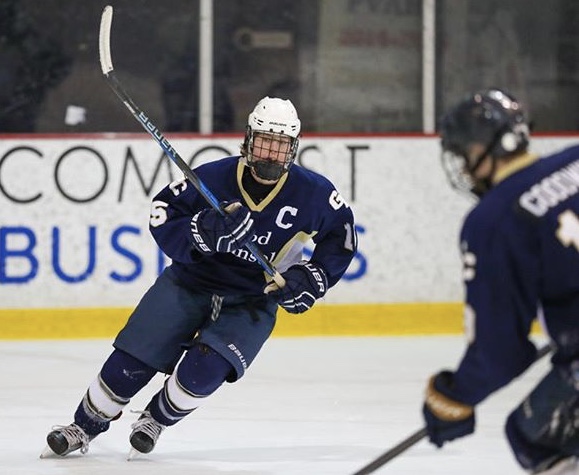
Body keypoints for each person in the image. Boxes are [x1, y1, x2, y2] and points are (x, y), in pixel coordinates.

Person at [41, 96, 357, 458]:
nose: (271, 152)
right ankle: (83, 426)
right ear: (249, 140)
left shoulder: (315, 193)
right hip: (189, 283)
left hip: (253, 299)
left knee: (204, 371)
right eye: (265, 141)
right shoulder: (213, 177)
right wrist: (200, 231)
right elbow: (162, 213)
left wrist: (312, 278)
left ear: (294, 148)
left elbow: (342, 237)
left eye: (281, 144)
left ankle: (155, 420)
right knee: (130, 363)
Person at [421, 88, 579, 474]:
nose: (462, 164)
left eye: (466, 151)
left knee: (535, 434)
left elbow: (500, 348)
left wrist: (456, 396)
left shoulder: (494, 219)